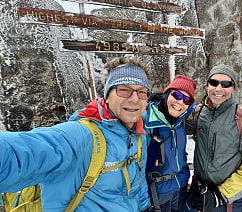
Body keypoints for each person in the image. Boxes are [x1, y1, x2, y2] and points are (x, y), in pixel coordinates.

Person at [0, 57, 152, 211]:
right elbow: (19, 154)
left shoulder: (138, 134)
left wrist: (145, 206)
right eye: (124, 90)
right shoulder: (81, 136)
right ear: (106, 96)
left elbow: (139, 183)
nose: (134, 99)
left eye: (142, 92)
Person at [185, 64, 242, 212]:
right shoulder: (197, 113)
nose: (218, 89)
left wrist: (220, 195)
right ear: (207, 86)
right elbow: (173, 120)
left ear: (233, 88)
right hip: (198, 193)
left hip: (228, 200)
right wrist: (161, 103)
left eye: (226, 84)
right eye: (214, 83)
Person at [143, 75, 197, 212]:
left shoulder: (182, 120)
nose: (180, 102)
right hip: (158, 193)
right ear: (167, 93)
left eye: (187, 99)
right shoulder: (146, 120)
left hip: (181, 187)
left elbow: (195, 109)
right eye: (177, 95)